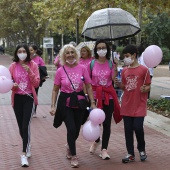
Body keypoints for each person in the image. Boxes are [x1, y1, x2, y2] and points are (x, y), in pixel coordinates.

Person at [50, 44, 96, 168]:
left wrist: (92, 102)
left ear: (75, 54)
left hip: (80, 101)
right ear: (64, 56)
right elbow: (55, 90)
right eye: (67, 53)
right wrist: (53, 106)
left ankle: (69, 145)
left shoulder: (82, 68)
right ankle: (74, 156)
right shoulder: (61, 70)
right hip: (65, 102)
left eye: (72, 52)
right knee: (71, 128)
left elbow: (89, 86)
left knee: (76, 129)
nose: (70, 55)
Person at [114, 45, 151, 163]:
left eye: (127, 56)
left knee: (138, 127)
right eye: (124, 57)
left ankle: (142, 149)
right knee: (128, 130)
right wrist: (118, 84)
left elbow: (148, 85)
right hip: (126, 105)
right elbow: (124, 87)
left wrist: (146, 88)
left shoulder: (144, 70)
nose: (125, 59)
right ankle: (130, 153)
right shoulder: (125, 71)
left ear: (134, 55)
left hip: (139, 104)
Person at [87, 39, 120, 160]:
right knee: (96, 123)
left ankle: (104, 149)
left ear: (107, 49)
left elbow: (112, 79)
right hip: (95, 97)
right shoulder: (91, 64)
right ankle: (96, 141)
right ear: (96, 50)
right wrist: (88, 97)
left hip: (108, 97)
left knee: (106, 124)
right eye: (99, 48)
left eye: (104, 48)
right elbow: (88, 81)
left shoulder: (111, 64)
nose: (101, 50)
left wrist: (116, 68)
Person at [9, 44, 40, 167]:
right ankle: (27, 144)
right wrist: (13, 85)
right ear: (16, 53)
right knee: (21, 127)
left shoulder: (33, 65)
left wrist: (30, 72)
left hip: (29, 98)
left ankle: (24, 153)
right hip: (17, 98)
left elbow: (36, 83)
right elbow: (8, 81)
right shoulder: (13, 66)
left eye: (24, 51)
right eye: (19, 51)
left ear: (27, 53)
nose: (22, 53)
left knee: (25, 125)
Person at [29, 45, 48, 117]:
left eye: (31, 50)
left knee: (34, 95)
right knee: (28, 95)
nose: (30, 52)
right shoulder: (26, 58)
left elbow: (43, 68)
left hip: (36, 80)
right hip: (28, 80)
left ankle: (34, 111)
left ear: (35, 51)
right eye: (29, 50)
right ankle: (28, 110)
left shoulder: (39, 59)